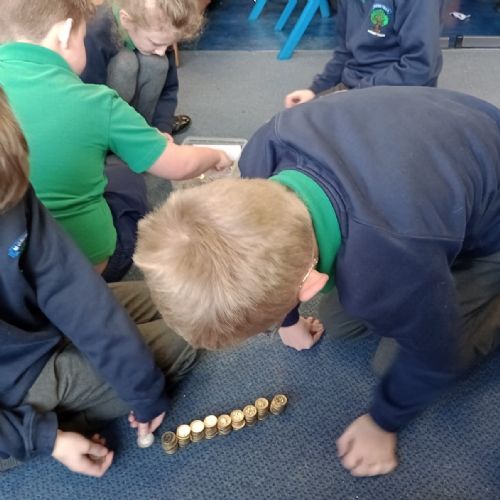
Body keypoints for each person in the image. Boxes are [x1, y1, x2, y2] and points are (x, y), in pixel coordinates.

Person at [133, 86, 500, 477]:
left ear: (309, 285)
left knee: (397, 360)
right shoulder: (263, 152)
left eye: (267, 328)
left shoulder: (389, 265)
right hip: (431, 139)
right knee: (342, 324)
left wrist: (383, 421)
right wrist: (288, 319)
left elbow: (437, 358)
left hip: (486, 220)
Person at [0, 86, 197, 476]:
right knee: (187, 341)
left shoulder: (10, 183)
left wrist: (144, 391)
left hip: (36, 325)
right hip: (14, 383)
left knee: (186, 304)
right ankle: (23, 435)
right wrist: (46, 438)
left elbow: (73, 290)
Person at [0, 0, 232, 282]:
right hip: (86, 267)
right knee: (129, 180)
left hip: (12, 271)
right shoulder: (96, 102)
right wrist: (215, 156)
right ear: (65, 34)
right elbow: (180, 166)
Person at [285, 0, 445, 108]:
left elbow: (419, 66)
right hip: (356, 88)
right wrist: (315, 90)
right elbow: (345, 51)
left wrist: (357, 93)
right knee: (291, 127)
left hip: (400, 95)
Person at [81, 0, 200, 136]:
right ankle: (117, 134)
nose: (162, 51)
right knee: (126, 62)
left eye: (167, 45)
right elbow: (88, 99)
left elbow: (168, 89)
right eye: (155, 43)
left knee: (157, 63)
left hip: (127, 111)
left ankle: (144, 129)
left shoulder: (160, 33)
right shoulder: (95, 35)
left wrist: (162, 127)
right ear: (126, 21)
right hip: (97, 115)